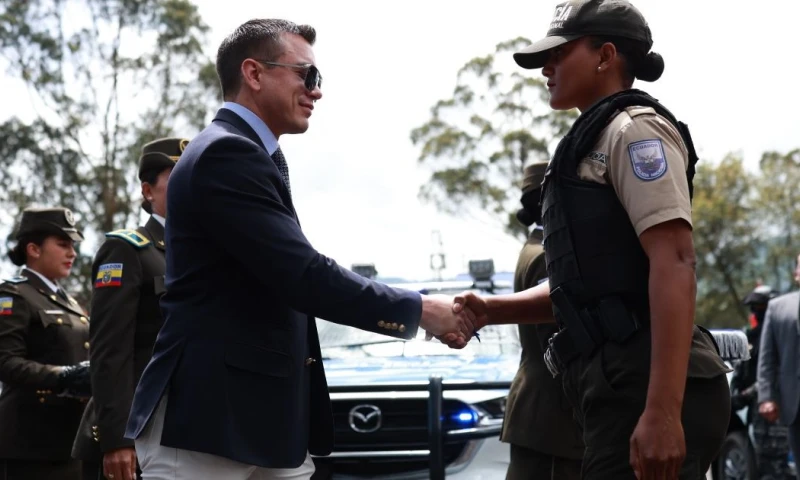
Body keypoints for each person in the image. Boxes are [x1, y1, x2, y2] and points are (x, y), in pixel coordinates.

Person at [123, 19, 473, 480]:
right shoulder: (227, 154)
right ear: (254, 73)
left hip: (255, 422)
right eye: (307, 75)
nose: (317, 91)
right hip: (208, 426)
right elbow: (302, 275)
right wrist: (420, 309)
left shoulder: (248, 153)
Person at [451, 1, 733, 478]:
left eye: (559, 54)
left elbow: (676, 261)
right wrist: (492, 310)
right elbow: (589, 290)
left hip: (646, 382)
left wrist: (662, 412)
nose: (547, 67)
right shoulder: (593, 139)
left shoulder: (636, 131)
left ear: (605, 56)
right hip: (615, 385)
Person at [72, 138, 189, 480]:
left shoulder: (205, 253)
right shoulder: (128, 251)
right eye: (177, 178)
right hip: (140, 428)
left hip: (190, 427)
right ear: (148, 191)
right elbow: (110, 350)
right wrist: (117, 438)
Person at [501, 161, 584, 479]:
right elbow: (558, 338)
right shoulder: (546, 255)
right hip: (552, 418)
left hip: (543, 415)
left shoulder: (536, 249)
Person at [0, 207, 92, 479]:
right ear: (34, 249)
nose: (72, 253)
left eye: (73, 246)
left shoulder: (70, 302)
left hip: (70, 441)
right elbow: (5, 362)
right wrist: (63, 376)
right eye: (63, 245)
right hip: (29, 444)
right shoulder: (13, 295)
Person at [730, 285, 791, 479]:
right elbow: (739, 371)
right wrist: (734, 397)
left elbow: (775, 372)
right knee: (764, 466)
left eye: (761, 306)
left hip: (777, 410)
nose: (757, 311)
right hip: (757, 414)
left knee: (779, 469)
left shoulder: (784, 336)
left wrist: (747, 395)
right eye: (755, 307)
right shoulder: (751, 338)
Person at [758, 253, 800, 479]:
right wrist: (766, 396)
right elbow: (767, 357)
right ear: (796, 274)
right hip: (795, 403)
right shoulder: (778, 308)